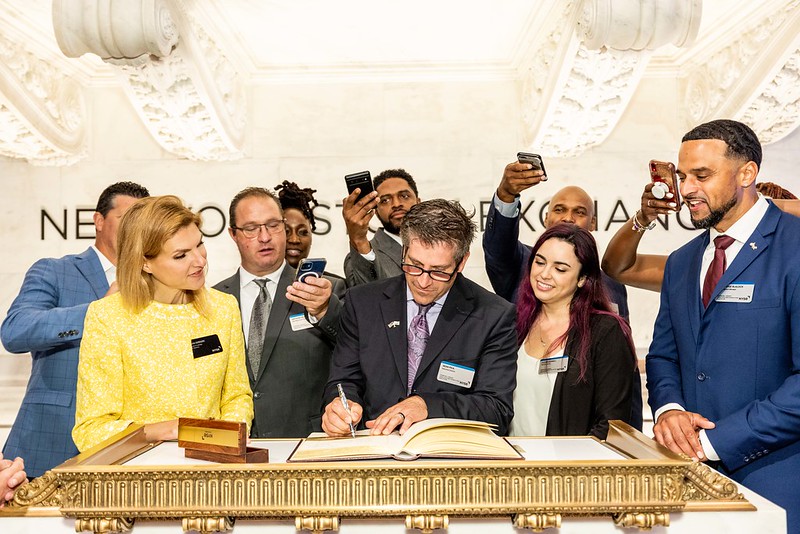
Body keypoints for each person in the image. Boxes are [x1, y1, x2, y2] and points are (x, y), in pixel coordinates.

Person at [645, 119, 800, 531]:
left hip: (777, 487)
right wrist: (670, 410)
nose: (687, 189)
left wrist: (714, 441)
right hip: (688, 489)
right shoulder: (682, 262)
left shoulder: (796, 248)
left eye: (702, 175)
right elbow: (664, 355)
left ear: (747, 174)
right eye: (683, 176)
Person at [322, 199, 518, 437]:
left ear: (462, 262)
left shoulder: (493, 315)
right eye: (414, 266)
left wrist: (426, 405)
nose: (423, 282)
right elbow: (343, 382)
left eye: (438, 271)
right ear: (404, 250)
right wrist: (341, 407)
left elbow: (496, 409)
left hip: (449, 456)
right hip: (374, 450)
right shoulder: (363, 303)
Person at [72, 196, 253, 451]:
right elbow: (91, 430)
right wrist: (167, 430)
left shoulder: (223, 308)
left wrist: (223, 441)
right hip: (140, 477)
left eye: (199, 245)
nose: (200, 261)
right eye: (181, 255)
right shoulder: (108, 317)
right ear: (145, 262)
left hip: (213, 469)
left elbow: (237, 397)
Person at [1, 181, 149, 477]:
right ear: (98, 220)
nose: (135, 230)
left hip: (129, 448)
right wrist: (98, 311)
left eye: (142, 223)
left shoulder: (157, 281)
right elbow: (15, 331)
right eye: (126, 220)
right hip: (50, 440)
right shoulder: (55, 270)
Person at [215, 187, 346, 438]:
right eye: (251, 228)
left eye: (273, 225)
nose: (265, 237)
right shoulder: (214, 298)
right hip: (235, 445)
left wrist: (325, 309)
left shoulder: (322, 289)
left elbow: (356, 348)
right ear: (233, 234)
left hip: (305, 442)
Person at [510, 224, 638, 440]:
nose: (544, 274)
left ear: (583, 279)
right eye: (539, 262)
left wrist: (570, 469)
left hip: (569, 469)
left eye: (560, 269)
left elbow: (611, 425)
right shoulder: (513, 323)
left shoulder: (605, 332)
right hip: (510, 465)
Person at [482, 164, 629, 320]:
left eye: (579, 212)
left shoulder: (613, 285)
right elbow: (498, 244)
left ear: (593, 223)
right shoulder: (521, 263)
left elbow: (621, 338)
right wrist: (506, 194)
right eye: (559, 210)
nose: (568, 218)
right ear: (546, 218)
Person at [602, 181, 800, 291]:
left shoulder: (790, 270)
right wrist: (644, 218)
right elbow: (619, 267)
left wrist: (762, 206)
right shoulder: (701, 264)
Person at [342, 168, 421, 287]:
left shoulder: (439, 245)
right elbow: (368, 294)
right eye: (385, 200)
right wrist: (359, 240)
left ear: (418, 202)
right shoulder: (361, 256)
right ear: (376, 210)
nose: (396, 204)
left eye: (404, 196)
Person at [275, 180, 344, 280]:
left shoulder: (335, 285)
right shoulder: (258, 283)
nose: (294, 240)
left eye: (303, 232)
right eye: (286, 231)